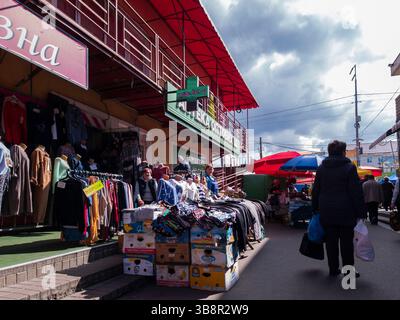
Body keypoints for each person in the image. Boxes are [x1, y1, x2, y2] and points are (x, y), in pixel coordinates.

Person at [312, 140, 366, 277]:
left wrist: (315, 209)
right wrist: (361, 212)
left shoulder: (321, 168)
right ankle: (348, 274)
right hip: (346, 212)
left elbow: (316, 190)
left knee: (330, 242)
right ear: (343, 152)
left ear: (329, 152)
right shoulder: (349, 167)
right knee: (347, 244)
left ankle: (333, 270)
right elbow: (356, 192)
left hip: (326, 211)